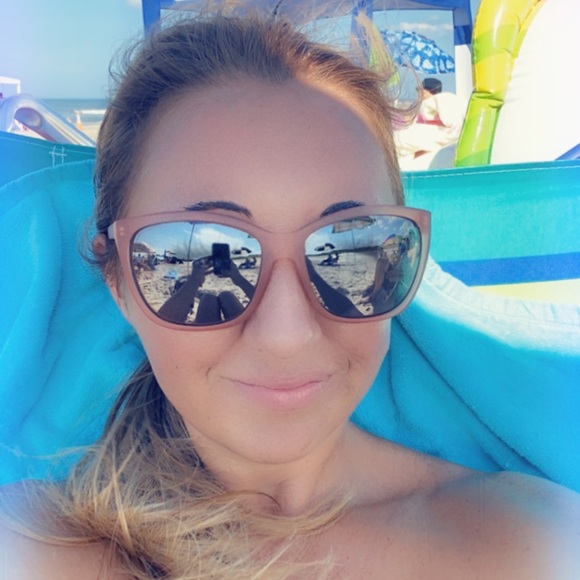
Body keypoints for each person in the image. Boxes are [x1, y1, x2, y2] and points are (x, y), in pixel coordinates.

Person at [1, 12, 579, 580]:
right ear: (118, 281)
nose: (287, 335)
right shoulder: (35, 547)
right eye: (203, 259)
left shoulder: (532, 542)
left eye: (351, 249)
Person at [394, 77, 467, 168]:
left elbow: (453, 125)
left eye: (420, 91)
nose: (419, 95)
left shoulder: (437, 101)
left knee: (398, 139)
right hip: (447, 143)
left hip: (445, 138)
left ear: (426, 91)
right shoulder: (442, 101)